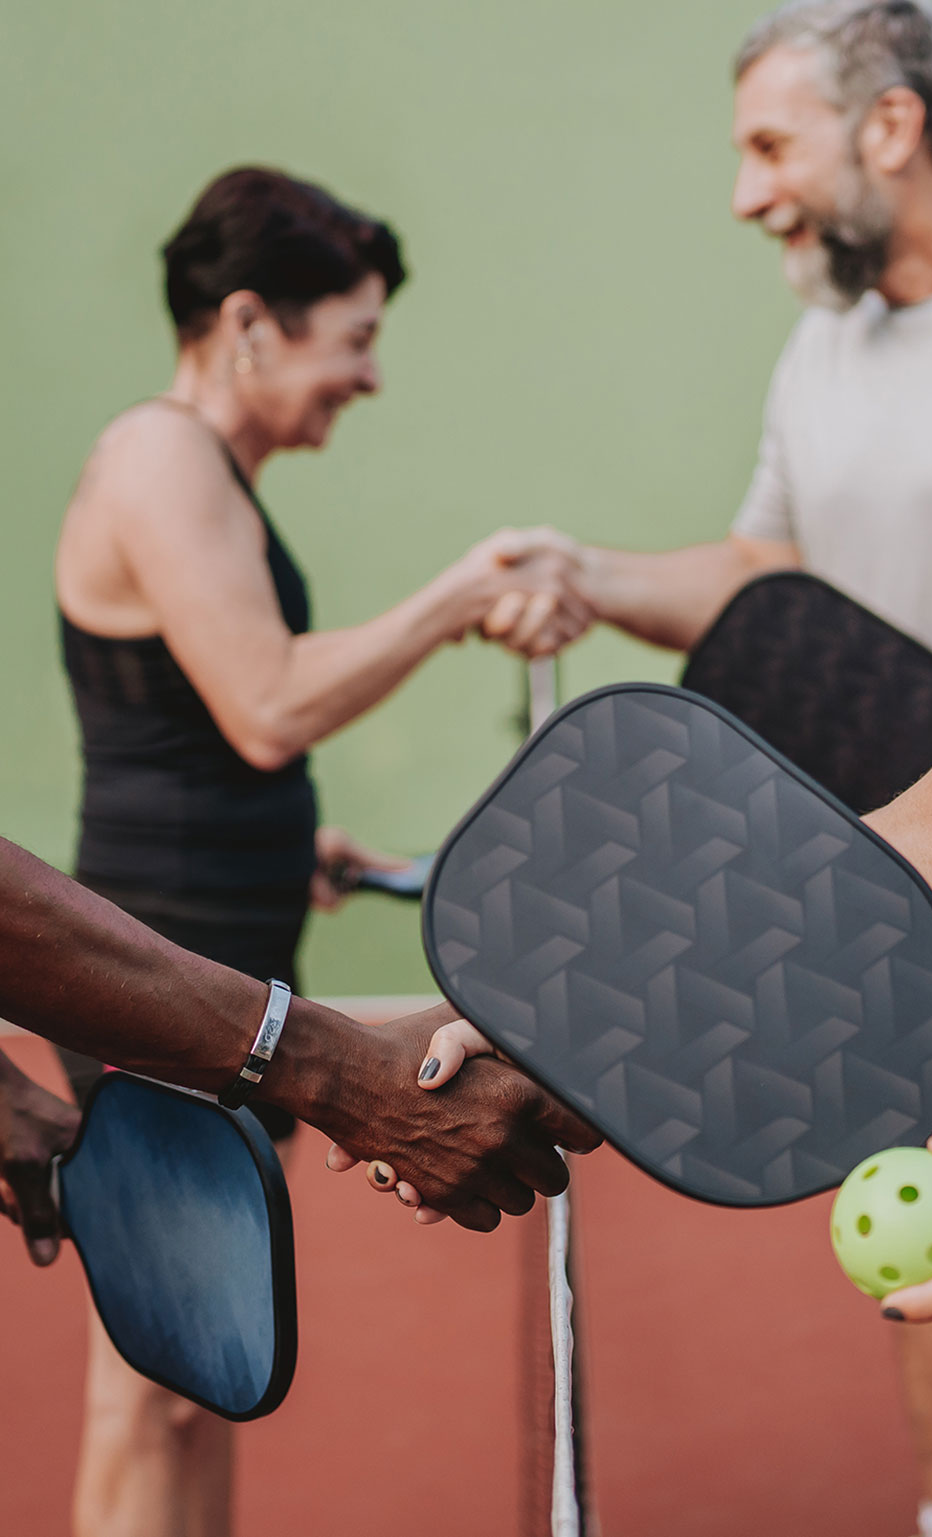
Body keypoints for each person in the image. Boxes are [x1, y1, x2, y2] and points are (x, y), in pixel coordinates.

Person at [478, 5, 932, 1533]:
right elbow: (768, 577)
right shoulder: (822, 345)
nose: (745, 193)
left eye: (771, 144)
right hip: (899, 878)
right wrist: (589, 572)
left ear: (893, 130)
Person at [52, 164, 585, 1537]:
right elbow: (269, 702)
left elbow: (193, 734)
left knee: (203, 1367)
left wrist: (293, 843)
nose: (369, 376)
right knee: (152, 1379)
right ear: (247, 324)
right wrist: (462, 594)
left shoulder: (206, 469)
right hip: (155, 974)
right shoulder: (159, 453)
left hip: (227, 948)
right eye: (351, 338)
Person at [0, 835, 596, 1253]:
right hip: (155, 949)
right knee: (178, 1361)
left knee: (212, 1350)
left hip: (212, 960)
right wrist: (346, 1075)